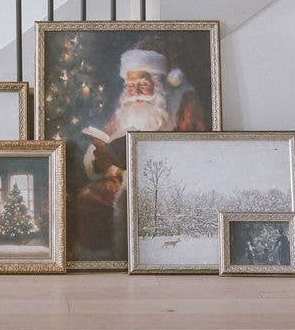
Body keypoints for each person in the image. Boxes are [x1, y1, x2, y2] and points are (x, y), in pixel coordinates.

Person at [71, 37, 208, 260]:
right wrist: (101, 161)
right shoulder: (125, 108)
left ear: (157, 82)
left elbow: (195, 152)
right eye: (131, 86)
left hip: (165, 181)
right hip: (124, 179)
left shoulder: (182, 103)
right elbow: (109, 140)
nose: (135, 92)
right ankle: (103, 264)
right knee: (88, 199)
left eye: (142, 85)